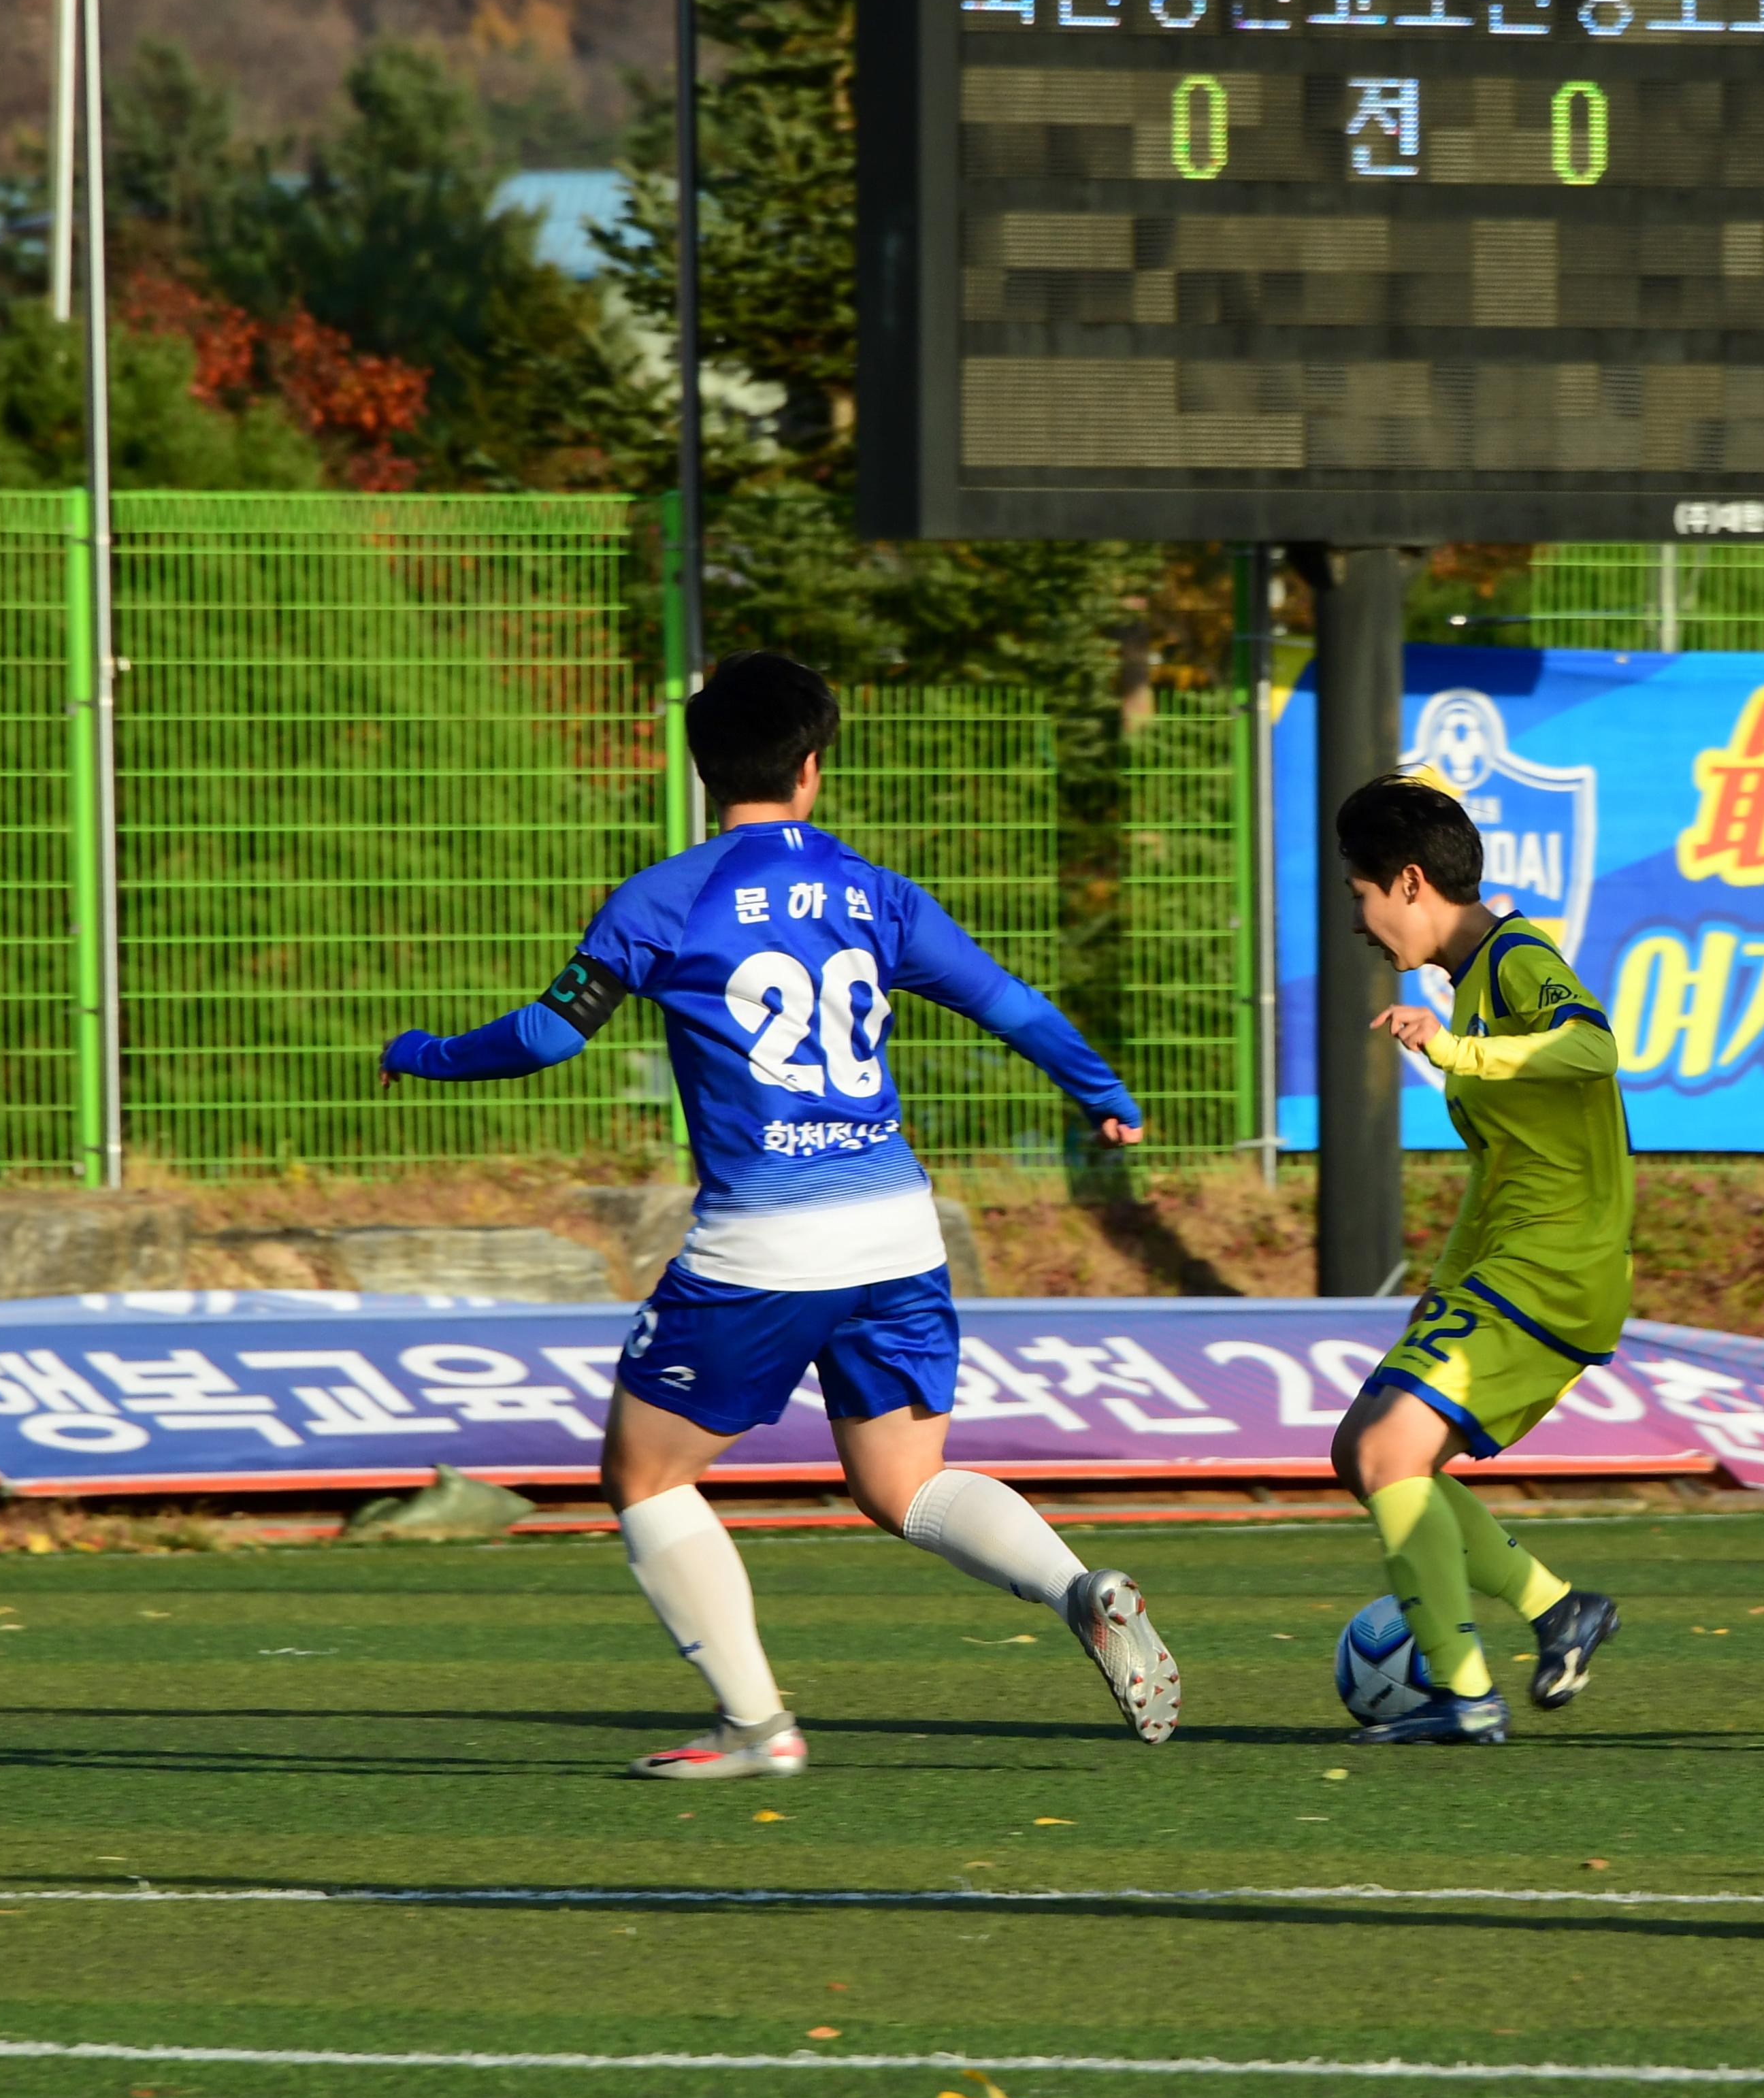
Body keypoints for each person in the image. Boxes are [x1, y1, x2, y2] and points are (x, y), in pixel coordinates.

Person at [377, 651, 1179, 1777]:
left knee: (646, 1478)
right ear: (812, 768)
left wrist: (424, 1054)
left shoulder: (662, 899)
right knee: (903, 1483)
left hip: (764, 1242)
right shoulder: (876, 893)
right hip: (899, 1226)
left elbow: (550, 1035)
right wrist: (1103, 1095)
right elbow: (1014, 1005)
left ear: (705, 773)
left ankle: (757, 1728)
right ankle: (1074, 1586)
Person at [1326, 774, 1628, 1747]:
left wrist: (1459, 1051)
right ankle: (1556, 1612)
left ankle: (1464, 1698)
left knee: (1386, 1450)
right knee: (1363, 1450)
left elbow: (1592, 1047)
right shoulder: (1474, 978)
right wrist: (1445, 1282)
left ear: (1409, 882)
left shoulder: (1515, 956)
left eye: (1359, 894)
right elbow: (1507, 1161)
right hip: (1510, 1265)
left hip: (1555, 1266)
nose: (1360, 922)